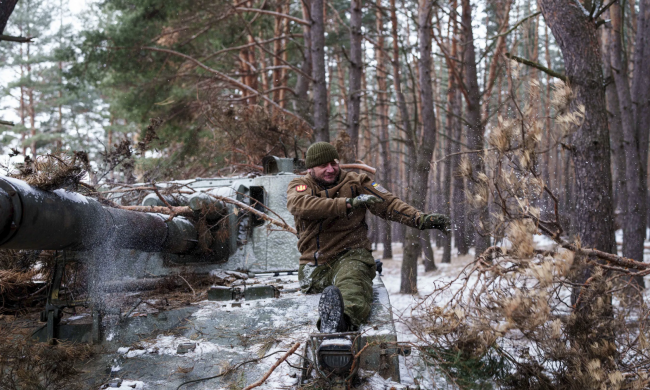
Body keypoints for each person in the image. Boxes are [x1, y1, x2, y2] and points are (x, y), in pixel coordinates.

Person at [286, 142, 451, 334]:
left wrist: (419, 219)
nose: (330, 169)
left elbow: (389, 203)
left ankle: (340, 322)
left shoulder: (356, 182)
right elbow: (301, 205)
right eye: (323, 166)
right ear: (311, 169)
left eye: (333, 163)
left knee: (353, 280)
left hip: (350, 255)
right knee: (328, 283)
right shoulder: (300, 186)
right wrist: (348, 203)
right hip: (313, 267)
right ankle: (335, 307)